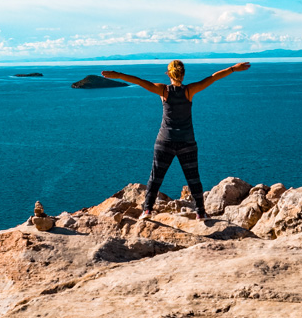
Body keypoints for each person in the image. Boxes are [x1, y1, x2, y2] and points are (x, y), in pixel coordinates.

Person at [101, 60, 250, 219]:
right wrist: (233, 68)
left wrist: (117, 75)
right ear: (183, 74)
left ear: (168, 74)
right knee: (193, 179)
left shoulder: (163, 90)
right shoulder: (190, 90)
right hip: (187, 142)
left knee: (156, 178)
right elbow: (212, 78)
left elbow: (138, 81)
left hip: (165, 141)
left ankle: (147, 211)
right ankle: (200, 212)